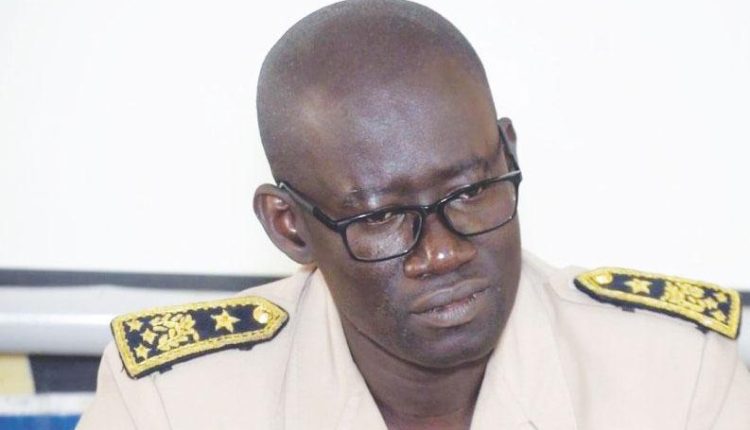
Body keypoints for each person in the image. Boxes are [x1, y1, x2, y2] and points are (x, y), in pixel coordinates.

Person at [77, 1, 750, 429]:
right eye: (381, 219)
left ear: (509, 154)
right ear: (289, 226)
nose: (443, 252)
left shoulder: (676, 375)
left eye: (471, 192)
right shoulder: (176, 404)